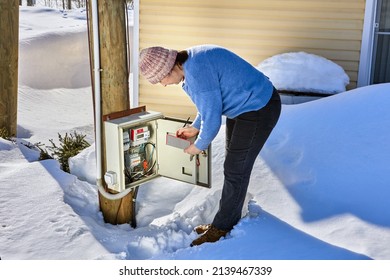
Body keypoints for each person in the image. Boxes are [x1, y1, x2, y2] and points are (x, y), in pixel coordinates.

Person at [139, 44, 281, 246]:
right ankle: (226, 220)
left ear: (168, 69)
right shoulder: (192, 62)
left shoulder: (196, 72)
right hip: (245, 106)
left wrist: (198, 146)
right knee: (234, 167)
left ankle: (222, 227)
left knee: (236, 169)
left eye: (160, 79)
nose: (162, 85)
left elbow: (213, 118)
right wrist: (195, 128)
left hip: (258, 108)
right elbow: (209, 104)